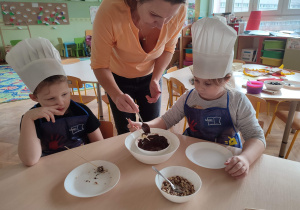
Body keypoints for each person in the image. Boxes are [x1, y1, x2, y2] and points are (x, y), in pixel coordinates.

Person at [128, 17, 266, 179]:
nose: (199, 88)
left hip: (226, 160)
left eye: (208, 84)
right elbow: (166, 120)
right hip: (189, 154)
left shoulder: (237, 101)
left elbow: (256, 137)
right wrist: (144, 126)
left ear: (226, 79)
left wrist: (245, 158)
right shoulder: (189, 97)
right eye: (196, 80)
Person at [91, 0, 186, 134]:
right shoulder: (109, 11)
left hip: (151, 75)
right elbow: (99, 65)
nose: (162, 25)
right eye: (154, 14)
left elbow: (168, 49)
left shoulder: (180, 9)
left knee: (151, 127)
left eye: (170, 17)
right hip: (117, 80)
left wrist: (155, 78)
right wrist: (116, 95)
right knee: (125, 129)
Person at [6, 38, 103, 167]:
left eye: (65, 94)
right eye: (51, 99)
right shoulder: (32, 120)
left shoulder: (82, 111)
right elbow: (30, 160)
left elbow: (99, 145)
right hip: (51, 170)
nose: (61, 102)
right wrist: (27, 119)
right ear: (34, 98)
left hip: (84, 166)